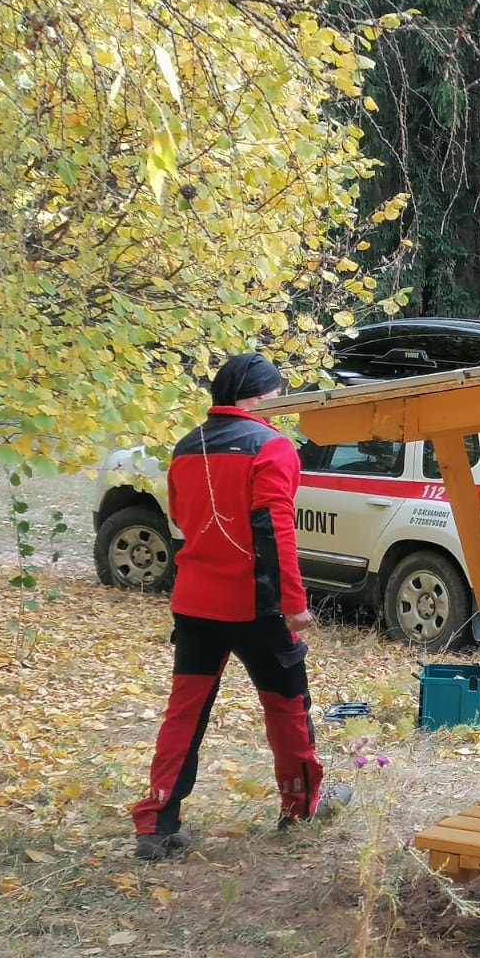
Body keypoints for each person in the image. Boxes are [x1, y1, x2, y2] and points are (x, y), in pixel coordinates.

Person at [129, 354, 348, 860]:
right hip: (256, 604)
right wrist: (294, 604)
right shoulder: (272, 446)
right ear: (260, 397)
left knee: (185, 712)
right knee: (287, 706)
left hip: (194, 601)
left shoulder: (186, 446)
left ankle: (157, 821)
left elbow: (181, 515)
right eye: (276, 395)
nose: (280, 404)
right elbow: (275, 527)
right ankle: (301, 806)